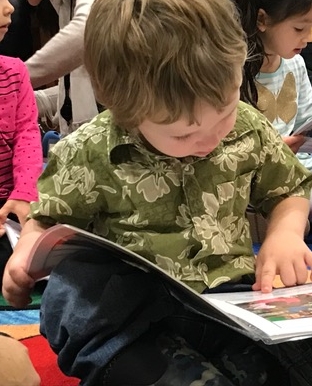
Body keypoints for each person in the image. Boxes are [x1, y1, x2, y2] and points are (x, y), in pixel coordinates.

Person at [3, 0, 312, 385]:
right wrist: (25, 256)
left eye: (226, 112)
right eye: (184, 133)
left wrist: (285, 232)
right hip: (132, 316)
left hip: (226, 301)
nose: (211, 138)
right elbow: (50, 219)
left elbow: (291, 187)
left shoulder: (247, 125)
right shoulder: (91, 149)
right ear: (126, 111)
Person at [235, 0, 312, 170]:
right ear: (262, 20)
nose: (307, 39)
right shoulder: (234, 74)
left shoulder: (296, 64)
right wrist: (268, 150)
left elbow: (305, 121)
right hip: (256, 172)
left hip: (297, 163)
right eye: (299, 29)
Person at [0, 0, 43, 286]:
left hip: (10, 203)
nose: (10, 7)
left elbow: (27, 134)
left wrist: (25, 192)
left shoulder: (14, 72)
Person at [26, 0, 99, 136]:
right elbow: (73, 88)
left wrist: (11, 79)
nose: (10, 8)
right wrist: (29, 99)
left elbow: (84, 34)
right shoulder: (66, 6)